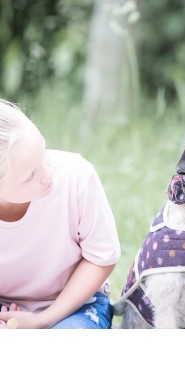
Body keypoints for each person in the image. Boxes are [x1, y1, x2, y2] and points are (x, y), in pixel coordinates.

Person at [0, 99, 121, 329]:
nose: (47, 173)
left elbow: (101, 258)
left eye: (43, 153)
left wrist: (42, 320)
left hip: (78, 306)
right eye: (30, 176)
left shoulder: (76, 178)